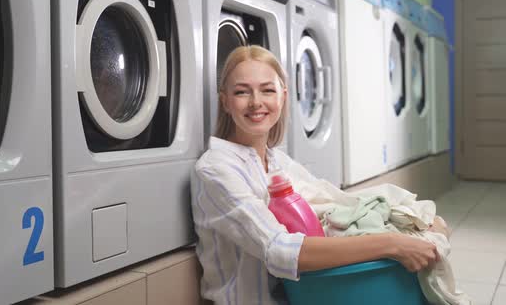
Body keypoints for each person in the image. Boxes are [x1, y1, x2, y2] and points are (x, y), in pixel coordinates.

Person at [191, 45, 446, 304]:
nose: (256, 102)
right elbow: (280, 250)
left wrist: (413, 218)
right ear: (225, 101)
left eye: (267, 90)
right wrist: (392, 244)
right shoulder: (215, 170)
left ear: (283, 96)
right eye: (242, 92)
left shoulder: (278, 162)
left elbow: (338, 205)